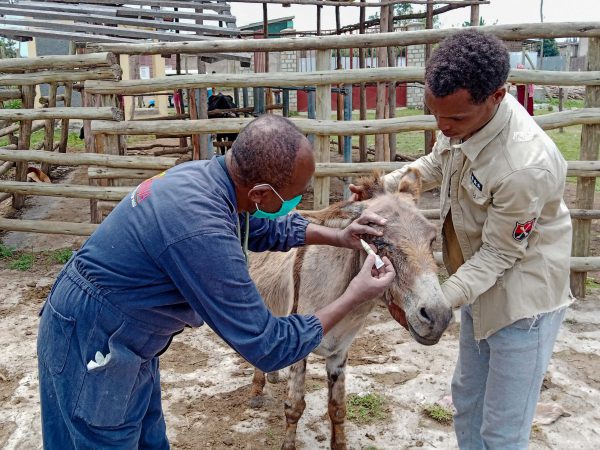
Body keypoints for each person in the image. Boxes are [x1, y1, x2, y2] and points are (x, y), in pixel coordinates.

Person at [37, 115, 396, 448]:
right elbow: (268, 346)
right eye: (294, 195)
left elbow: (259, 226)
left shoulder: (209, 180)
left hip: (125, 334)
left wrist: (338, 236)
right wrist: (354, 295)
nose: (298, 202)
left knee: (146, 437)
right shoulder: (200, 231)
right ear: (259, 194)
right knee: (103, 437)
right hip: (92, 337)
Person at [351, 29, 572, 449]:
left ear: (497, 96)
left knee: (503, 431)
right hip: (473, 287)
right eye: (435, 114)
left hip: (521, 304)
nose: (443, 127)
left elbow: (499, 254)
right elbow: (436, 162)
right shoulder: (460, 125)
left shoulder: (524, 167)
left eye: (454, 119)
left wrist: (437, 298)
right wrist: (383, 187)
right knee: (468, 402)